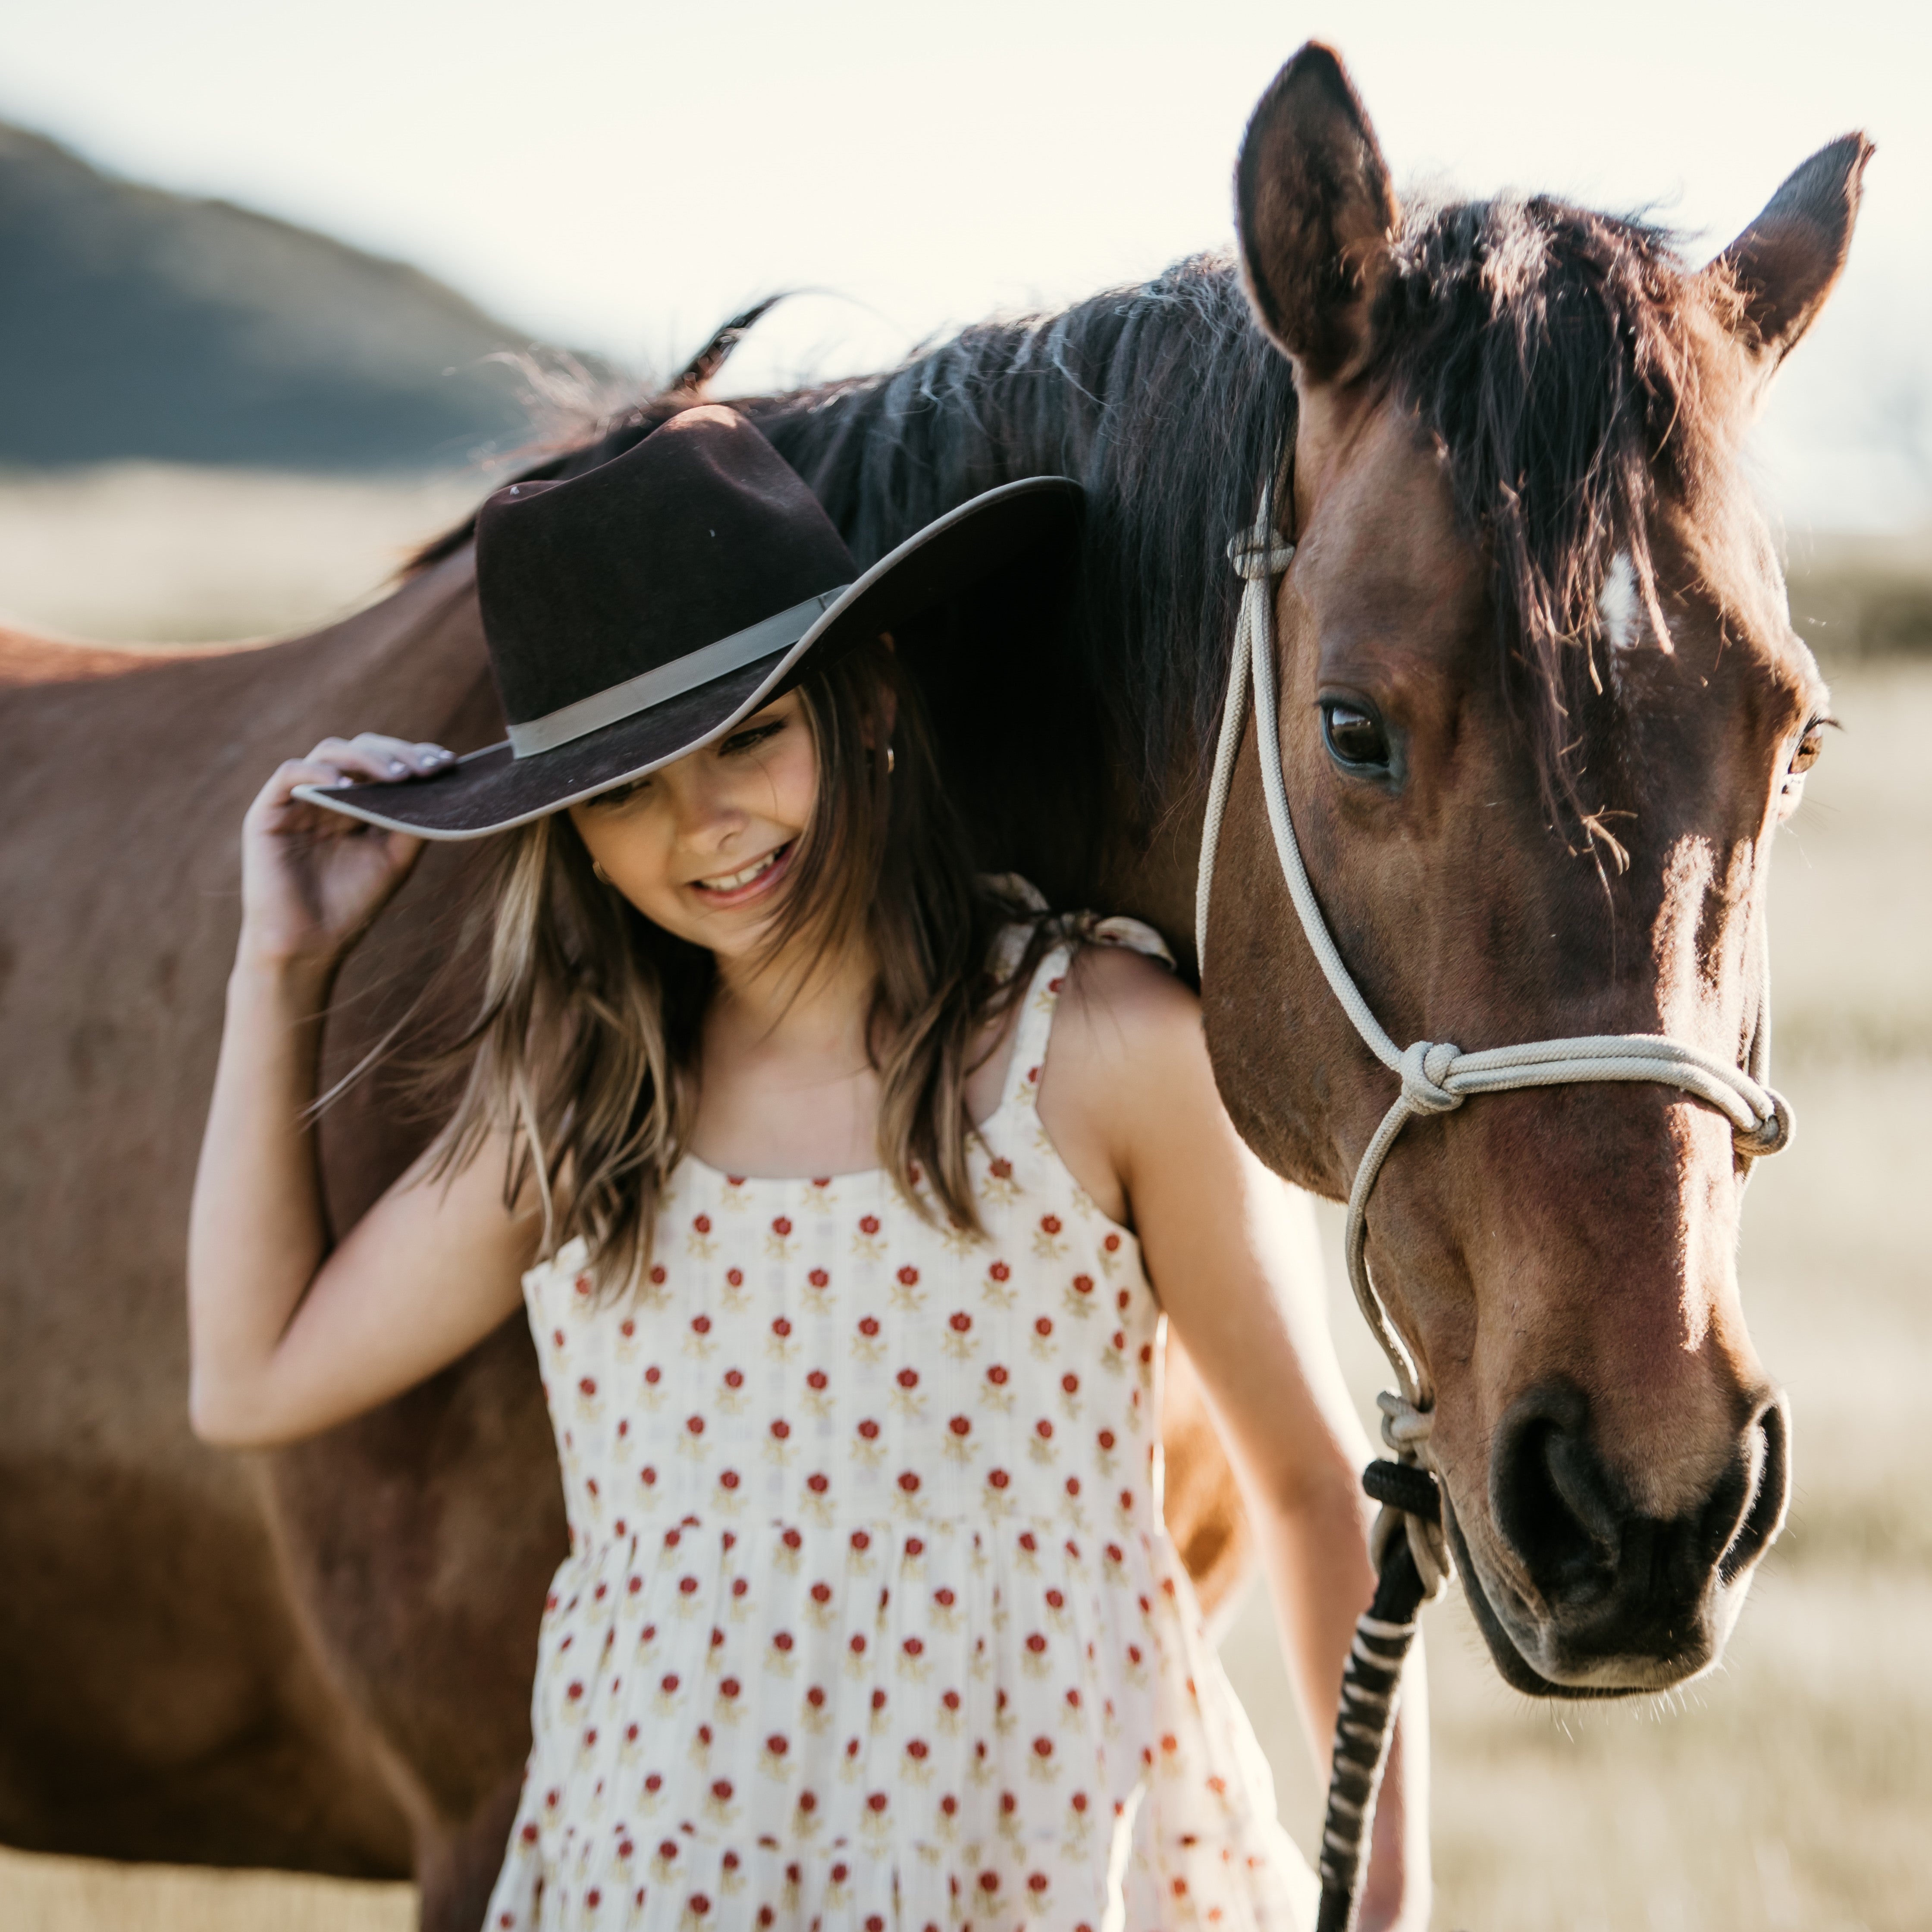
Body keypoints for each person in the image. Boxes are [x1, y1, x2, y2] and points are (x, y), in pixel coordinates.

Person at [188, 405, 1424, 1930]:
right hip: (662, 1872)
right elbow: (248, 1381)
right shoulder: (587, 1113)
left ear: (869, 700)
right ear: (570, 835)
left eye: (751, 736)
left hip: (1026, 1865)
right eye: (627, 790)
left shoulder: (1099, 1054)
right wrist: (282, 965)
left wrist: (1383, 1898)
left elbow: (1308, 1492)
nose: (703, 828)